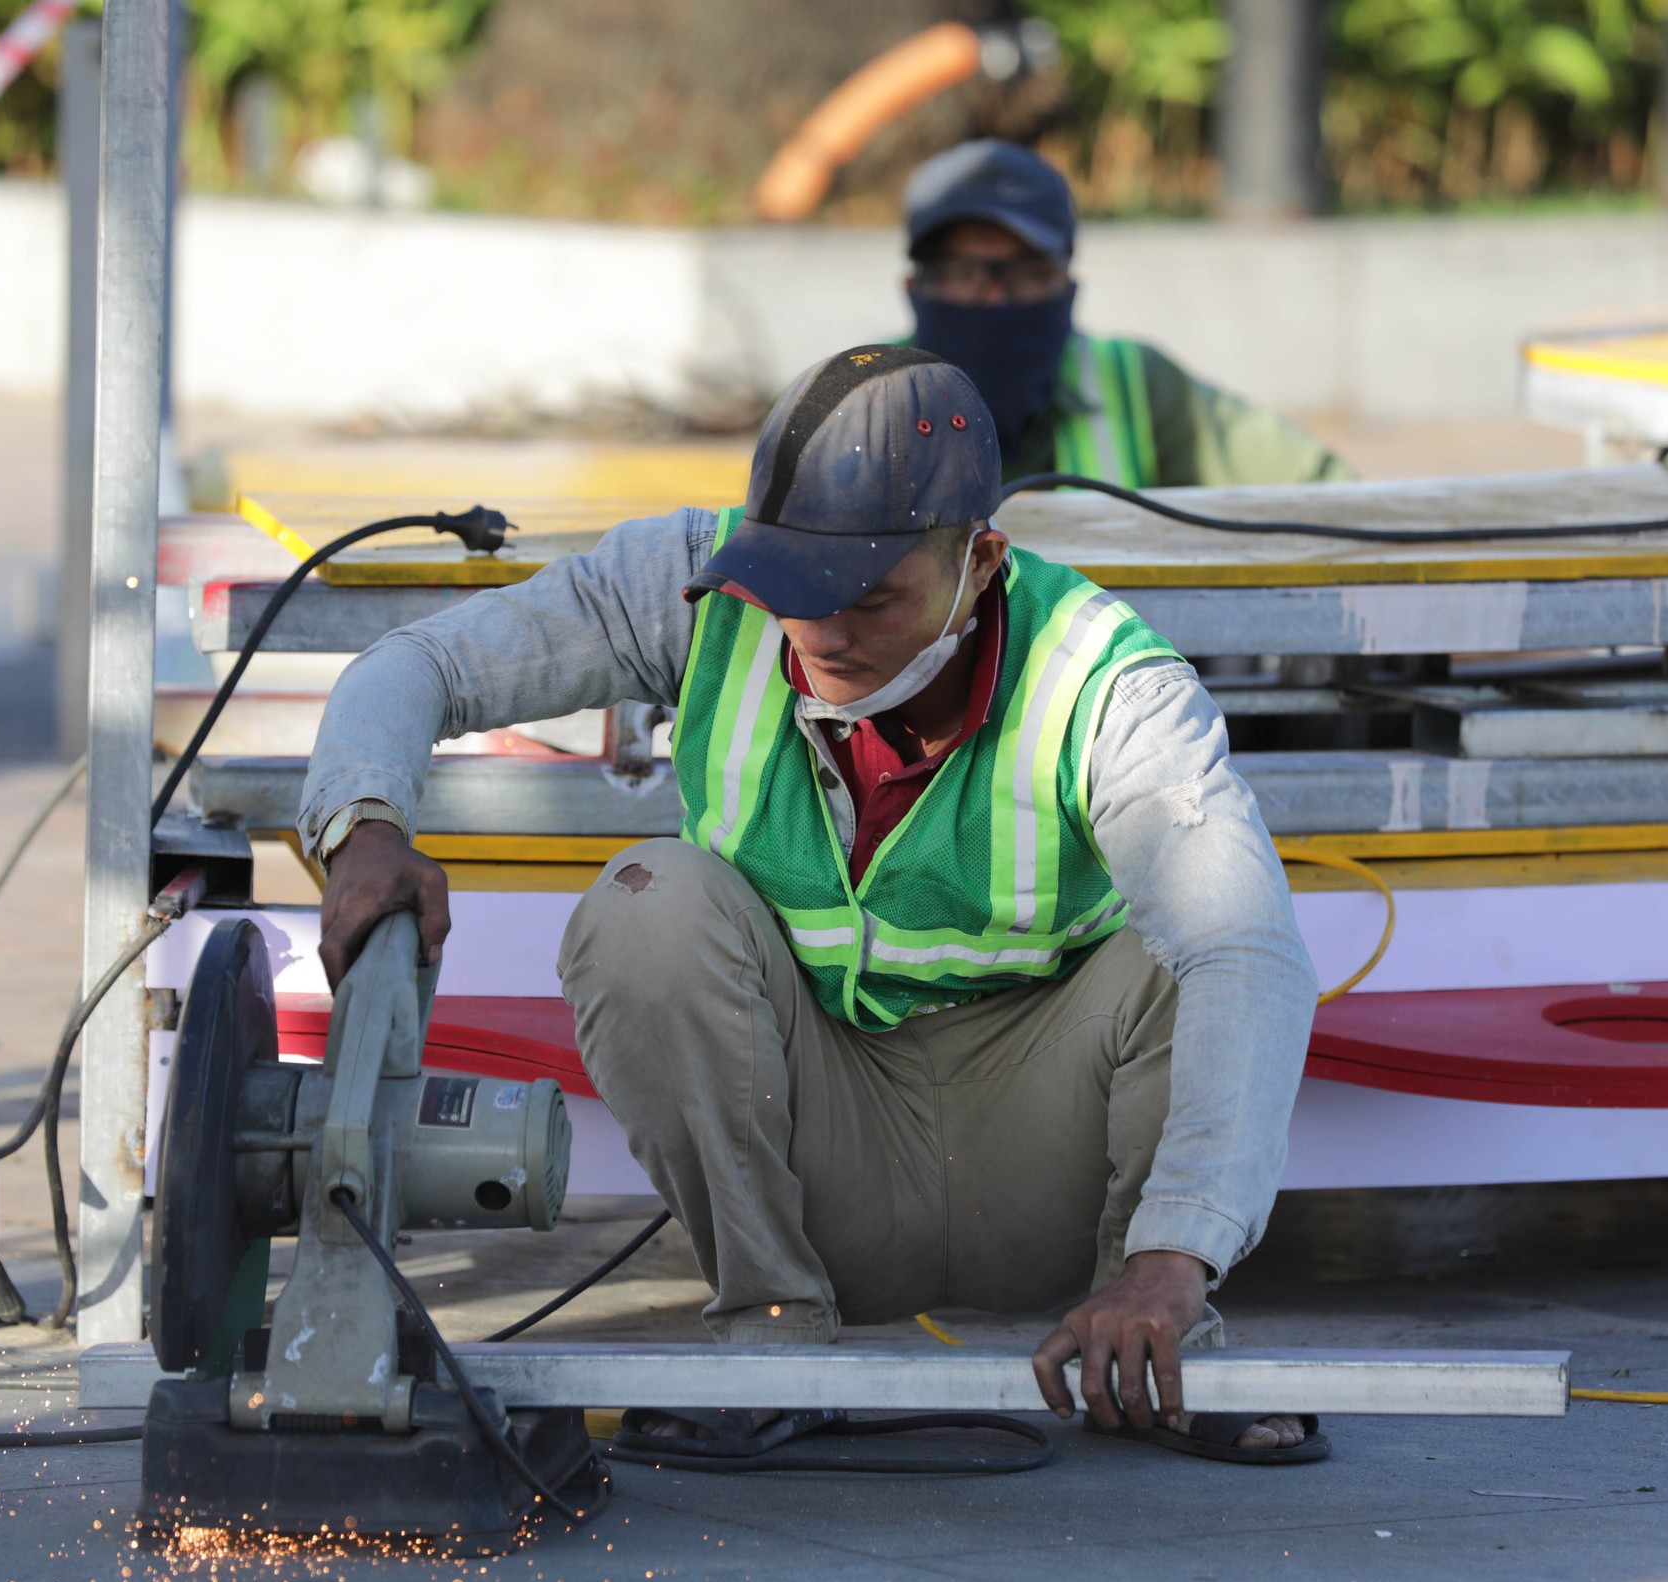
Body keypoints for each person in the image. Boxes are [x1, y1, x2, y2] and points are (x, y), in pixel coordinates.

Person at [302, 346, 1323, 1463]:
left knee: (1208, 937)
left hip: (1050, 1162)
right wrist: (364, 826)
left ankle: (1159, 1341)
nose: (822, 633)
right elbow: (419, 666)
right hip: (826, 1150)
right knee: (648, 904)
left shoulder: (1106, 685)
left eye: (871, 597)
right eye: (790, 590)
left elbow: (1247, 958)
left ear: (980, 562)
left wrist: (1172, 1260)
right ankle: (772, 1336)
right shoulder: (691, 583)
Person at [904, 138, 1349, 489]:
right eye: (962, 274)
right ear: (913, 287)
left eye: (1029, 273)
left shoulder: (1136, 383)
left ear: (1067, 285)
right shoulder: (859, 400)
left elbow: (1326, 492)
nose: (996, 301)